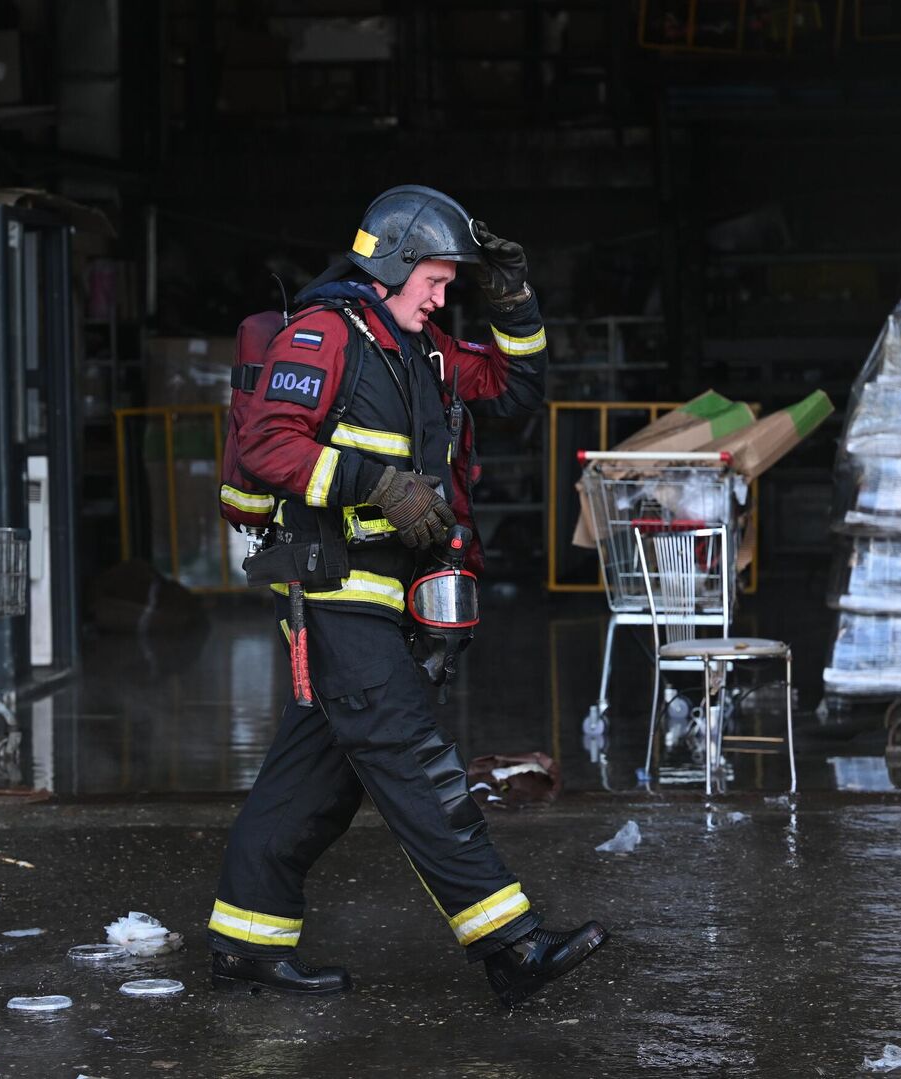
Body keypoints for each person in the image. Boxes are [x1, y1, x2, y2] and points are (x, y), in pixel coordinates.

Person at [208, 186, 607, 1004]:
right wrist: (379, 484)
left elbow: (517, 388)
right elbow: (265, 446)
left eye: (452, 282)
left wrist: (513, 297)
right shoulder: (325, 335)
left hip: (387, 595)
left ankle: (248, 940)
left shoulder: (419, 350)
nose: (443, 294)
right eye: (433, 277)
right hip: (336, 589)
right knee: (417, 763)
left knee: (310, 783)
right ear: (387, 266)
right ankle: (511, 945)